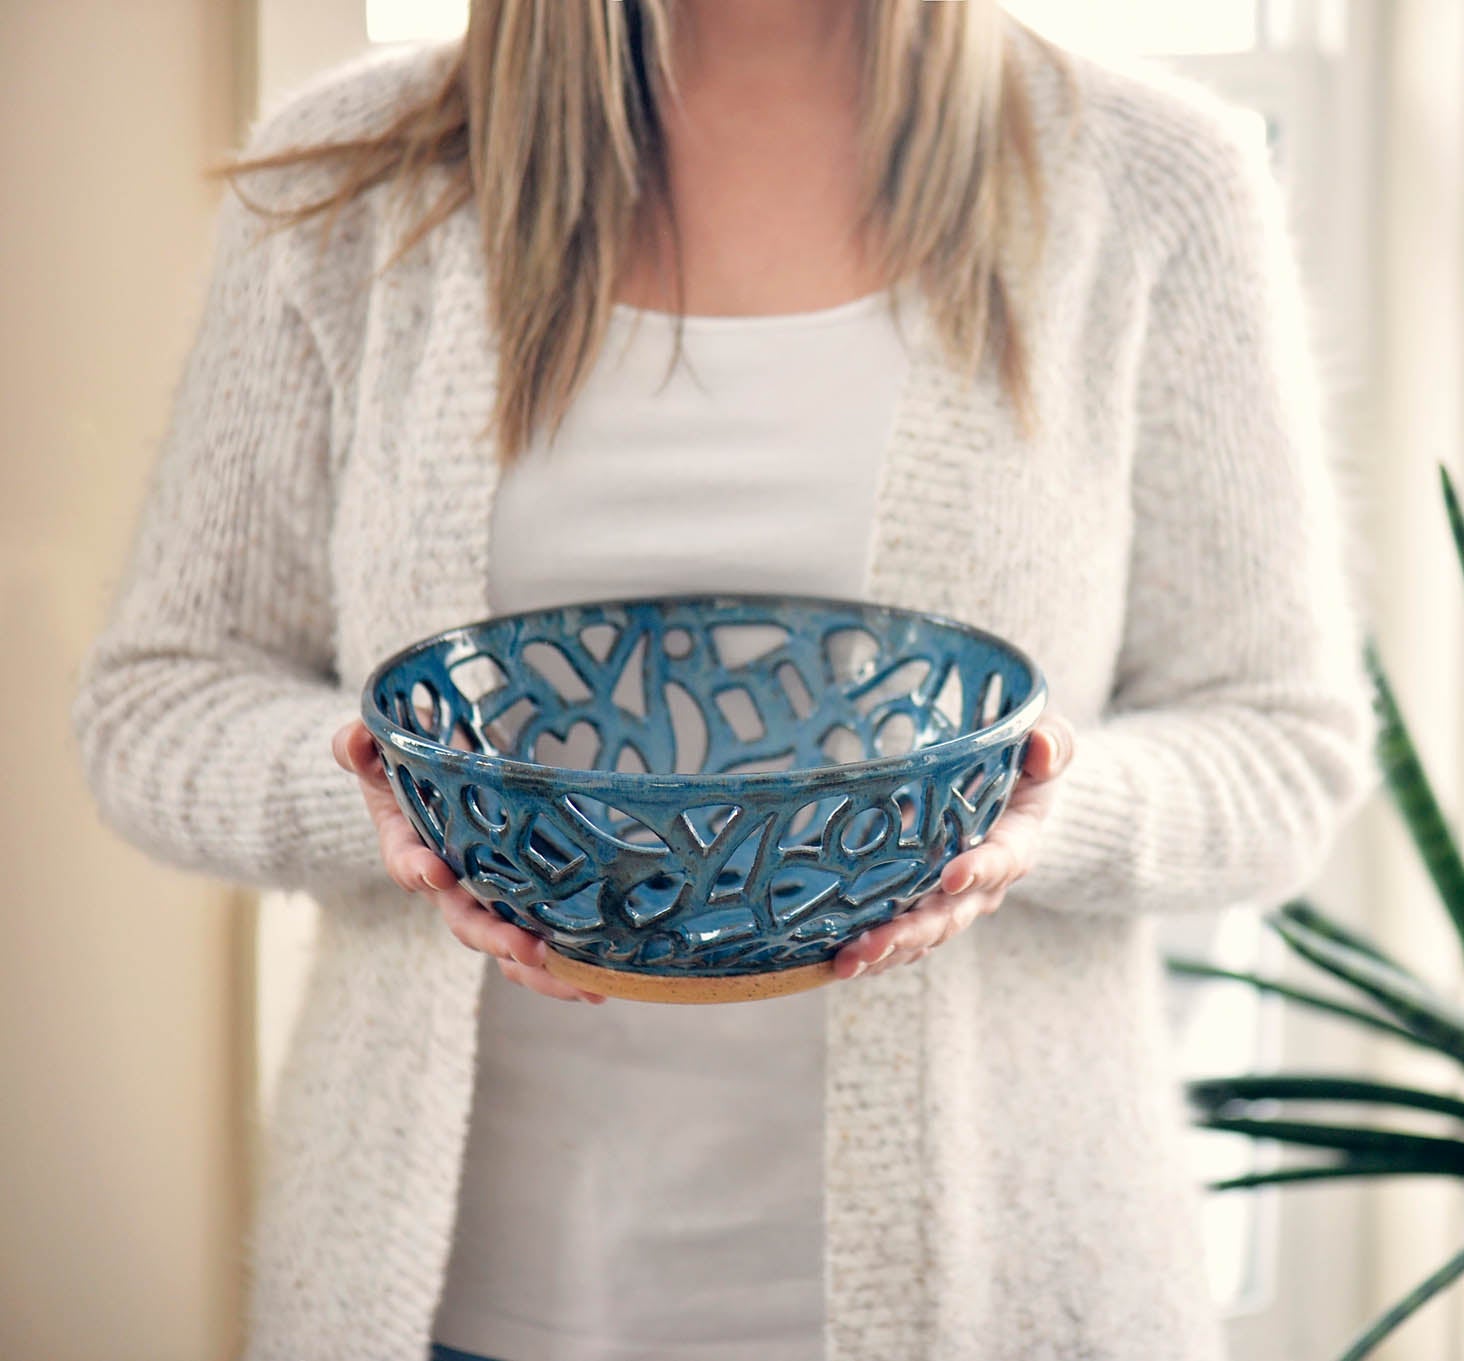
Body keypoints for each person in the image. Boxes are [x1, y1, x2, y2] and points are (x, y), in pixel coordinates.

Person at [70, 2, 1374, 1358]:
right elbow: (160, 699)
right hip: (458, 1310)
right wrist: (385, 792)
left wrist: (1042, 809)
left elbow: (1285, 743)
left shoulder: (1152, 180)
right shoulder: (348, 186)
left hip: (1005, 1306)